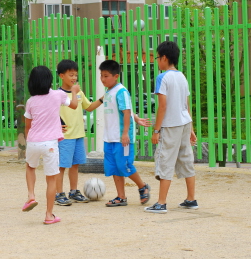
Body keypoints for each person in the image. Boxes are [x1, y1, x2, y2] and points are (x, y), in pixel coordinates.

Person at [144, 41, 198, 214]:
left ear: (164, 58)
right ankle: (191, 199)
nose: (157, 61)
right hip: (184, 123)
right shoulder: (182, 76)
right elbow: (186, 104)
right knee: (186, 159)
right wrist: (191, 129)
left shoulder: (162, 78)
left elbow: (162, 106)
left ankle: (161, 203)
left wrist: (156, 130)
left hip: (170, 125)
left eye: (158, 57)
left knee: (165, 161)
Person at [22, 65, 79, 224]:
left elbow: (28, 125)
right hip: (51, 144)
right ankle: (48, 215)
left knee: (30, 167)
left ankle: (31, 195)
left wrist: (30, 142)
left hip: (33, 141)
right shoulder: (58, 95)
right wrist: (74, 91)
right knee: (51, 180)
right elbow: (74, 105)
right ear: (49, 80)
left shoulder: (31, 101)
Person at [99, 59, 151, 207]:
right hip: (109, 137)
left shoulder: (121, 91)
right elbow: (123, 110)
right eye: (101, 75)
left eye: (106, 76)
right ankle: (121, 197)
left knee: (125, 165)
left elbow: (126, 111)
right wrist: (137, 118)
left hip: (122, 138)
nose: (103, 79)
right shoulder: (108, 91)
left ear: (116, 76)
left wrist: (125, 133)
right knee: (114, 166)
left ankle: (142, 186)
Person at [54, 59, 104, 206]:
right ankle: (58, 194)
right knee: (62, 166)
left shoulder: (79, 93)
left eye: (75, 75)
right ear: (61, 76)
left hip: (78, 135)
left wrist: (102, 99)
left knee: (75, 165)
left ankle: (73, 191)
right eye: (71, 75)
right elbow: (51, 112)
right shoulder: (58, 94)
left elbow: (88, 107)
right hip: (65, 137)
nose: (74, 78)